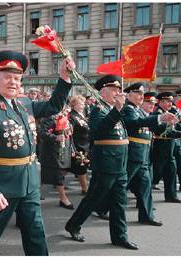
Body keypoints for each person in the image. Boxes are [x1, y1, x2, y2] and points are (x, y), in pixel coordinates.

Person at [0, 50, 75, 255]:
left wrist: (65, 78)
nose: (13, 82)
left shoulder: (24, 103)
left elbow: (53, 105)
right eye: (7, 77)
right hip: (2, 186)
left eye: (17, 78)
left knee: (35, 233)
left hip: (30, 182)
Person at [65, 75, 138, 250]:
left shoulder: (115, 109)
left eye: (118, 89)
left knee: (119, 202)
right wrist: (117, 110)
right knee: (93, 198)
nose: (118, 93)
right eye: (114, 89)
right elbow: (98, 131)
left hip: (120, 163)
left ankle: (120, 236)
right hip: (105, 163)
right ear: (103, 92)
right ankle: (73, 224)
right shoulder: (99, 109)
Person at [122, 83, 177, 226]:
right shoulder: (128, 109)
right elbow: (135, 123)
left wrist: (167, 122)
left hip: (143, 154)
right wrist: (159, 118)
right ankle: (102, 207)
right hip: (133, 154)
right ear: (129, 95)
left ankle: (146, 215)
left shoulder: (138, 110)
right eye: (139, 93)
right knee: (121, 185)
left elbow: (153, 126)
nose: (142, 96)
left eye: (142, 94)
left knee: (145, 186)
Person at [151, 92, 181, 203]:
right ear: (161, 102)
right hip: (160, 148)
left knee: (171, 172)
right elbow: (161, 131)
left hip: (170, 148)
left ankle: (171, 195)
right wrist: (179, 134)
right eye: (167, 101)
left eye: (170, 101)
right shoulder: (157, 114)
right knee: (154, 174)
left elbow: (177, 126)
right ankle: (141, 197)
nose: (170, 103)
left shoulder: (168, 113)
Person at [39, 106, 74, 209]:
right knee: (57, 175)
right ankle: (63, 199)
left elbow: (68, 134)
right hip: (53, 152)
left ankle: (33, 193)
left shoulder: (65, 116)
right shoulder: (50, 117)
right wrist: (55, 137)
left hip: (64, 149)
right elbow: (42, 133)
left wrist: (72, 148)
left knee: (48, 175)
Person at [68, 95, 90, 194]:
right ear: (74, 105)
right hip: (78, 144)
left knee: (83, 166)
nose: (83, 105)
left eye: (83, 103)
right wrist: (72, 148)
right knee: (81, 167)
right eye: (80, 103)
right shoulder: (71, 116)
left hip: (85, 144)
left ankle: (58, 182)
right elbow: (70, 133)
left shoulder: (81, 114)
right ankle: (85, 188)